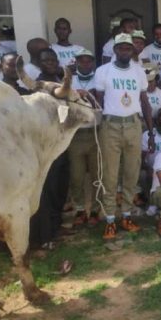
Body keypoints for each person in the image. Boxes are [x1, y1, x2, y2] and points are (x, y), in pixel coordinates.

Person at [94, 33, 154, 239]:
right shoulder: (103, 71)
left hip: (133, 125)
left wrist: (151, 132)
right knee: (110, 175)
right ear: (115, 50)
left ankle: (127, 215)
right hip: (110, 125)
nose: (125, 51)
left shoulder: (139, 71)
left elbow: (145, 102)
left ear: (132, 50)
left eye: (128, 48)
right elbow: (99, 102)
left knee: (131, 173)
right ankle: (110, 219)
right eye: (121, 48)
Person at [29, 48, 69, 248]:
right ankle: (48, 231)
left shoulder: (61, 81)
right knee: (49, 188)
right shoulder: (37, 86)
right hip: (47, 144)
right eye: (46, 61)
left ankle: (57, 224)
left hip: (62, 140)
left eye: (53, 60)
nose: (51, 63)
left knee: (61, 186)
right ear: (39, 63)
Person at [68, 49, 100, 227]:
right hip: (76, 133)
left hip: (95, 132)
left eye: (89, 61)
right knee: (76, 176)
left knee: (97, 175)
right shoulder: (69, 80)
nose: (85, 64)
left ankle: (95, 210)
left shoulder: (99, 79)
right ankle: (80, 209)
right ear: (77, 62)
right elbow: (63, 106)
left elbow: (103, 105)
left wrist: (89, 95)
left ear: (93, 63)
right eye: (82, 61)